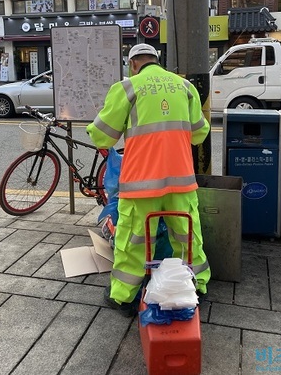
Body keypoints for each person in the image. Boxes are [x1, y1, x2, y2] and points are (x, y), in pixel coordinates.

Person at [86, 43, 211, 316]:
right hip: (180, 181)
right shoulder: (185, 87)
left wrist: (94, 126)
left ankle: (124, 297)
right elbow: (200, 133)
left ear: (133, 64)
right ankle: (198, 286)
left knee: (134, 241)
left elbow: (103, 136)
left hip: (141, 185)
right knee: (188, 236)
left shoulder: (128, 88)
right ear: (158, 61)